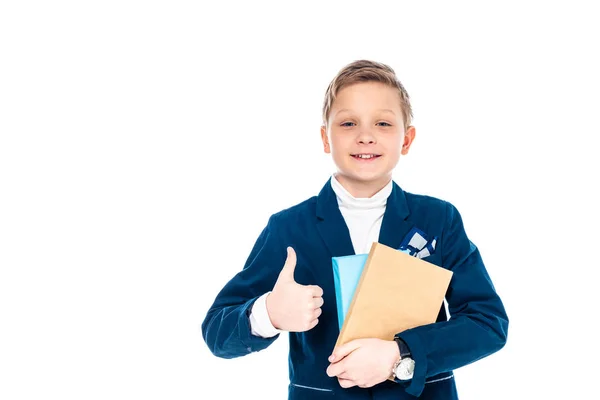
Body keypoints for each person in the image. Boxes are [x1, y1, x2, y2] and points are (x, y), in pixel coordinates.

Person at [201, 60, 508, 399]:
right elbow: (217, 332)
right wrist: (269, 313)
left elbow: (488, 324)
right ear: (325, 137)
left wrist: (401, 354)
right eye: (348, 123)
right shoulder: (287, 228)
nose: (365, 136)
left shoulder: (439, 220)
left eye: (383, 123)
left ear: (406, 139)